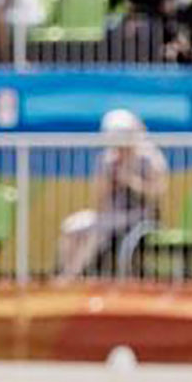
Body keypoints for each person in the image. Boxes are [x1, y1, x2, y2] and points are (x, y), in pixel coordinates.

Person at [57, 108, 168, 279]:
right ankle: (67, 270)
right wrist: (109, 178)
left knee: (96, 230)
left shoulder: (149, 157)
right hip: (111, 215)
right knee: (71, 226)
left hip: (140, 217)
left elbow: (158, 190)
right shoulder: (107, 159)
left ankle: (73, 275)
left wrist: (131, 180)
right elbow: (100, 197)